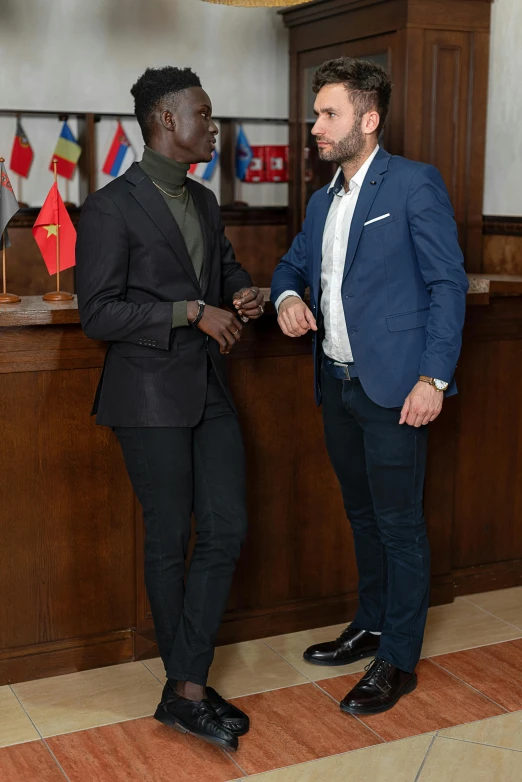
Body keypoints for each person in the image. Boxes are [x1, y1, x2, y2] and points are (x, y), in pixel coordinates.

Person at [271, 57, 468, 715]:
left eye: (328, 114)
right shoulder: (322, 199)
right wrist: (287, 298)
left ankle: (398, 661)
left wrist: (433, 378)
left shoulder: (414, 185)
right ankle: (373, 622)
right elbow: (290, 266)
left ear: (369, 118)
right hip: (338, 386)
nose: (315, 127)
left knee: (399, 524)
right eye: (316, 113)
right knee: (363, 517)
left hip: (397, 391)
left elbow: (447, 284)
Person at [76, 66, 265, 751]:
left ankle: (183, 684)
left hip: (209, 390)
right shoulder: (108, 207)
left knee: (227, 527)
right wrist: (191, 311)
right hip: (146, 396)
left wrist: (245, 294)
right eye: (205, 115)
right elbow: (97, 313)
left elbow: (225, 269)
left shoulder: (207, 201)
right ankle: (187, 689)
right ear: (165, 121)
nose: (213, 126)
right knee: (169, 541)